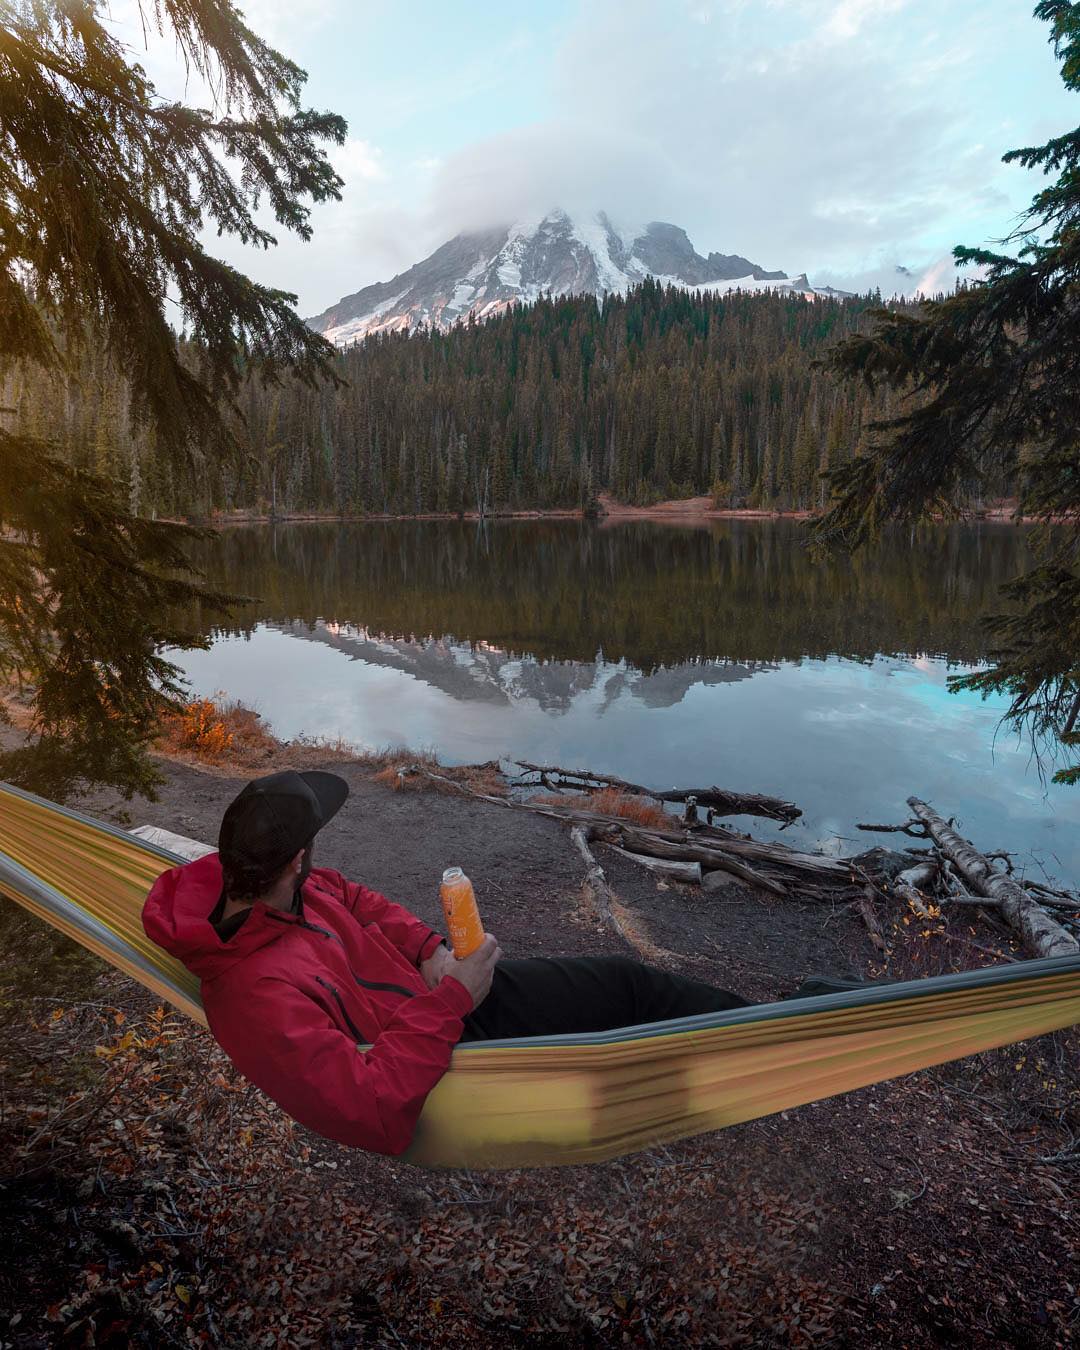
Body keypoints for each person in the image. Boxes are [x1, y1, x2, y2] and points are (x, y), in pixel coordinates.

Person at [142, 770, 786, 1157]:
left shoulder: (262, 886)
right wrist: (453, 1002)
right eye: (311, 847)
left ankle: (785, 1020)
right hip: (441, 1056)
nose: (317, 858)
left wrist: (428, 953)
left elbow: (357, 900)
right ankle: (774, 1046)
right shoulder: (253, 997)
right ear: (291, 859)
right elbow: (369, 1108)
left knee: (625, 983)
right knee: (615, 1029)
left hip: (439, 1005)